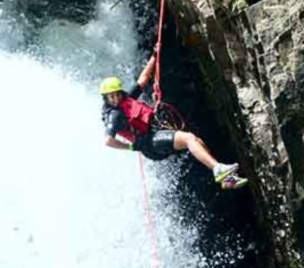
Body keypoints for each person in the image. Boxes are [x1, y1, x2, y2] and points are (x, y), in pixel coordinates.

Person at [100, 56, 248, 190]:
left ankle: (227, 179)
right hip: (150, 143)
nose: (115, 99)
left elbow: (143, 79)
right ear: (105, 98)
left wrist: (154, 56)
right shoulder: (114, 115)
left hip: (156, 133)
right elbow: (108, 141)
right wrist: (131, 147)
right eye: (111, 97)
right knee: (190, 138)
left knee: (197, 141)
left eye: (117, 94)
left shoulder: (126, 100)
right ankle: (218, 169)